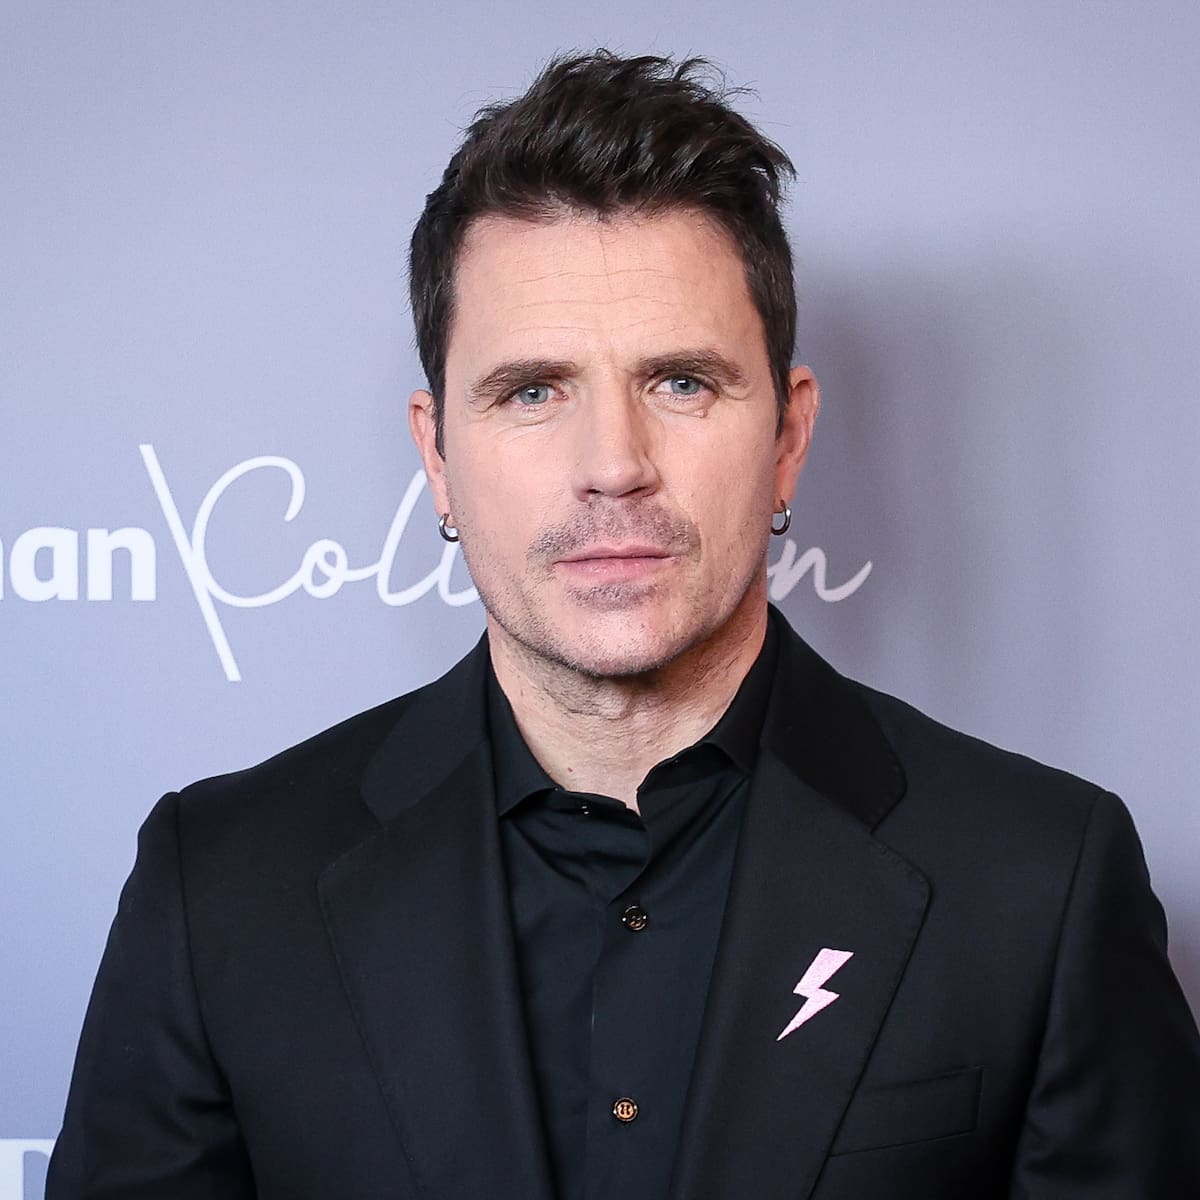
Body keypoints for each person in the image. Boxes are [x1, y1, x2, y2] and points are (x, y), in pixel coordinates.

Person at [48, 50, 1200, 1200]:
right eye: (532, 391)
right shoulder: (223, 889)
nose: (613, 464)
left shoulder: (1038, 882)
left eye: (680, 382)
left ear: (789, 436)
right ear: (436, 454)